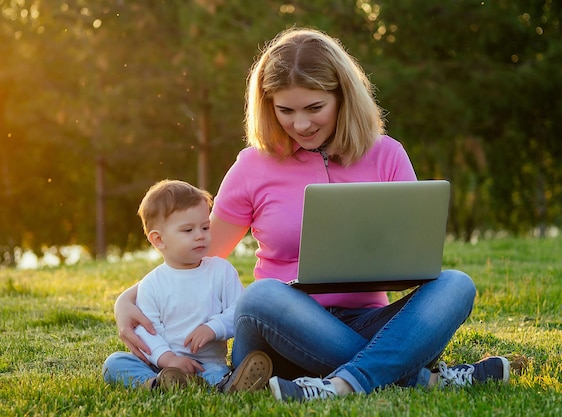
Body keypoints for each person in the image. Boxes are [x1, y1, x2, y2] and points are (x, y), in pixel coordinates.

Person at [113, 27, 510, 401]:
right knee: (263, 294)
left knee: (456, 284)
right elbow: (202, 251)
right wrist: (127, 298)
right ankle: (417, 376)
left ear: (343, 96)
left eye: (315, 107)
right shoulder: (252, 165)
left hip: (366, 321)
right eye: (285, 110)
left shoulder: (387, 155)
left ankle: (344, 383)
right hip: (278, 330)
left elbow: (414, 263)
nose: (300, 124)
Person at [102, 179, 272, 392]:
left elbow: (239, 311)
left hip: (207, 366)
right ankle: (156, 384)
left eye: (205, 227)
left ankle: (225, 384)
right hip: (162, 365)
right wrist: (169, 359)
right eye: (188, 230)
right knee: (115, 363)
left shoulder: (221, 271)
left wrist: (213, 327)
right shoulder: (151, 285)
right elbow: (148, 331)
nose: (200, 235)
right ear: (158, 240)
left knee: (217, 373)